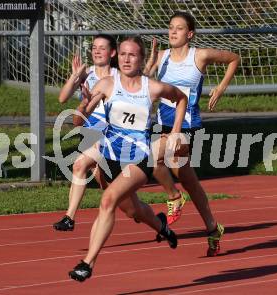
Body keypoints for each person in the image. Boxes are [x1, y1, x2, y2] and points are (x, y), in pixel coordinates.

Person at [68, 36, 188, 282]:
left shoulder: (152, 87)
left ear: (142, 59)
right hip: (110, 158)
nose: (126, 58)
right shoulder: (106, 84)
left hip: (140, 158)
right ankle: (162, 227)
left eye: (132, 54)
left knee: (107, 200)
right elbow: (78, 122)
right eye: (122, 53)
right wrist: (83, 102)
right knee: (135, 211)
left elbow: (181, 99)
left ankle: (87, 263)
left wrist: (176, 132)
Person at [144, 11, 240, 256]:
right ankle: (212, 228)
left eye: (178, 28)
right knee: (190, 181)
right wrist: (149, 65)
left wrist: (220, 87)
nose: (172, 32)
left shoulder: (201, 55)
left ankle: (174, 197)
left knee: (155, 157)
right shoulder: (162, 56)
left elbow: (234, 58)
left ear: (190, 34)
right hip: (165, 125)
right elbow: (142, 84)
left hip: (188, 128)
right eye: (170, 27)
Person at [53, 34, 118, 231]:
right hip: (88, 134)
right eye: (94, 48)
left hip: (109, 134)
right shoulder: (85, 73)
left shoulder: (118, 76)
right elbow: (62, 99)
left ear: (112, 52)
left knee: (78, 166)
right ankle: (152, 220)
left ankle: (69, 218)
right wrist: (75, 76)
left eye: (102, 47)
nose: (97, 51)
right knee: (109, 190)